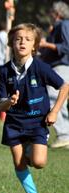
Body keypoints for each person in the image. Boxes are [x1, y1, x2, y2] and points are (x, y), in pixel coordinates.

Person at [0, 23, 69, 193]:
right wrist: (9, 102)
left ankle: (30, 149)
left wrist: (54, 111)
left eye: (28, 39)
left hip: (37, 122)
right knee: (19, 163)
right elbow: (0, 105)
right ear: (12, 43)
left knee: (39, 162)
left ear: (34, 45)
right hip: (14, 124)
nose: (22, 42)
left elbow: (65, 86)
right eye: (18, 39)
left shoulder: (40, 67)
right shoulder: (4, 71)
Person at [39, 1, 69, 149]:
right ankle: (66, 136)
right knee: (60, 103)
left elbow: (66, 47)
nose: (49, 15)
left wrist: (45, 44)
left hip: (62, 67)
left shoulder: (63, 25)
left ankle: (64, 135)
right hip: (56, 67)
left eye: (51, 12)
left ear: (57, 13)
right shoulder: (56, 27)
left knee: (52, 99)